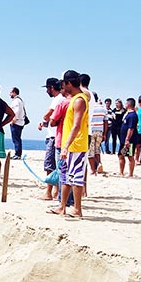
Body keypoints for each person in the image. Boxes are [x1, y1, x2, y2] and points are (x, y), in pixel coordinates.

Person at [51, 71, 89, 218]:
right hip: (70, 145)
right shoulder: (74, 99)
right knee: (65, 177)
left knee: (76, 178)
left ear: (69, 83)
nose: (62, 87)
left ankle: (77, 209)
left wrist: (66, 146)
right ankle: (62, 206)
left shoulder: (79, 100)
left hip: (77, 145)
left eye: (63, 84)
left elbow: (77, 125)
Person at [39, 77, 62, 200]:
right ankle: (56, 191)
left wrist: (45, 119)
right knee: (57, 165)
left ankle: (49, 192)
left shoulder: (57, 99)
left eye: (47, 88)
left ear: (52, 88)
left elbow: (48, 115)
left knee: (49, 164)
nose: (47, 91)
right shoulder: (62, 99)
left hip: (53, 136)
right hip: (56, 134)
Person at [118, 98, 138, 177]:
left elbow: (131, 128)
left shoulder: (133, 115)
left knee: (130, 156)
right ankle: (121, 172)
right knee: (121, 155)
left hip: (130, 140)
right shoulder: (127, 113)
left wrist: (127, 139)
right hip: (123, 140)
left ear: (129, 104)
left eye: (126, 103)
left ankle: (130, 174)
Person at [88, 93, 107, 175]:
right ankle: (99, 164)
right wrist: (105, 134)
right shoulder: (103, 108)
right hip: (100, 130)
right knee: (97, 149)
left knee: (90, 151)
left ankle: (93, 170)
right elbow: (106, 122)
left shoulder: (89, 107)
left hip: (91, 130)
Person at [8, 87, 27, 159]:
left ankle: (17, 154)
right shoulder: (19, 100)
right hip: (19, 122)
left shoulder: (16, 101)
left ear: (14, 92)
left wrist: (13, 120)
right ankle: (18, 153)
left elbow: (17, 111)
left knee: (16, 139)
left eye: (10, 92)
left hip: (17, 122)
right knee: (17, 138)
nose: (9, 94)